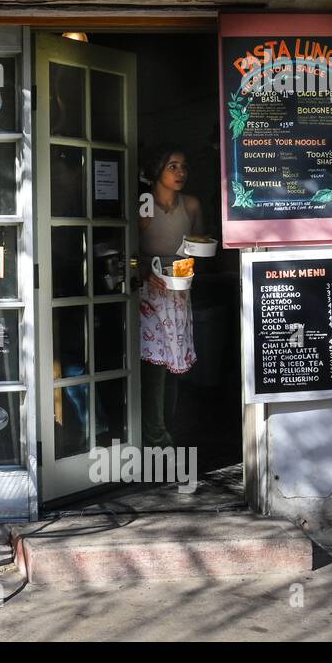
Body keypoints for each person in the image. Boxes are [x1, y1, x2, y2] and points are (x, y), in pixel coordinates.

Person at [138, 145, 203, 449]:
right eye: (172, 166)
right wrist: (143, 270)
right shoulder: (145, 203)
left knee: (174, 366)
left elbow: (201, 244)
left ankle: (166, 430)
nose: (181, 173)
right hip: (150, 292)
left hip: (179, 291)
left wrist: (192, 262)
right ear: (157, 170)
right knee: (153, 368)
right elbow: (127, 246)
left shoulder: (190, 205)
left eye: (183, 167)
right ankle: (154, 435)